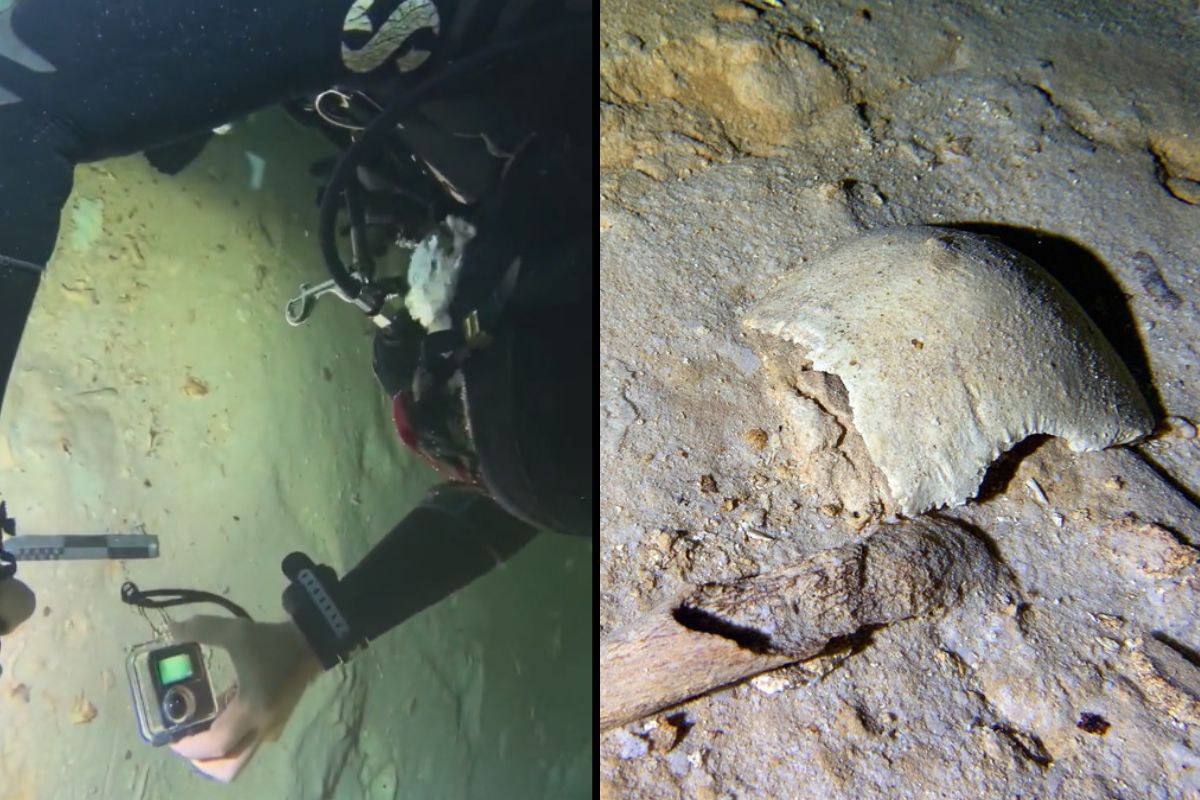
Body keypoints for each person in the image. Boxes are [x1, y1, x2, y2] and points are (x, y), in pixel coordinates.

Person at [0, 0, 592, 783]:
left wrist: (313, 638)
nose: (416, 423)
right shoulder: (510, 43)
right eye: (448, 386)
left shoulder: (542, 254)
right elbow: (16, 106)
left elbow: (537, 469)